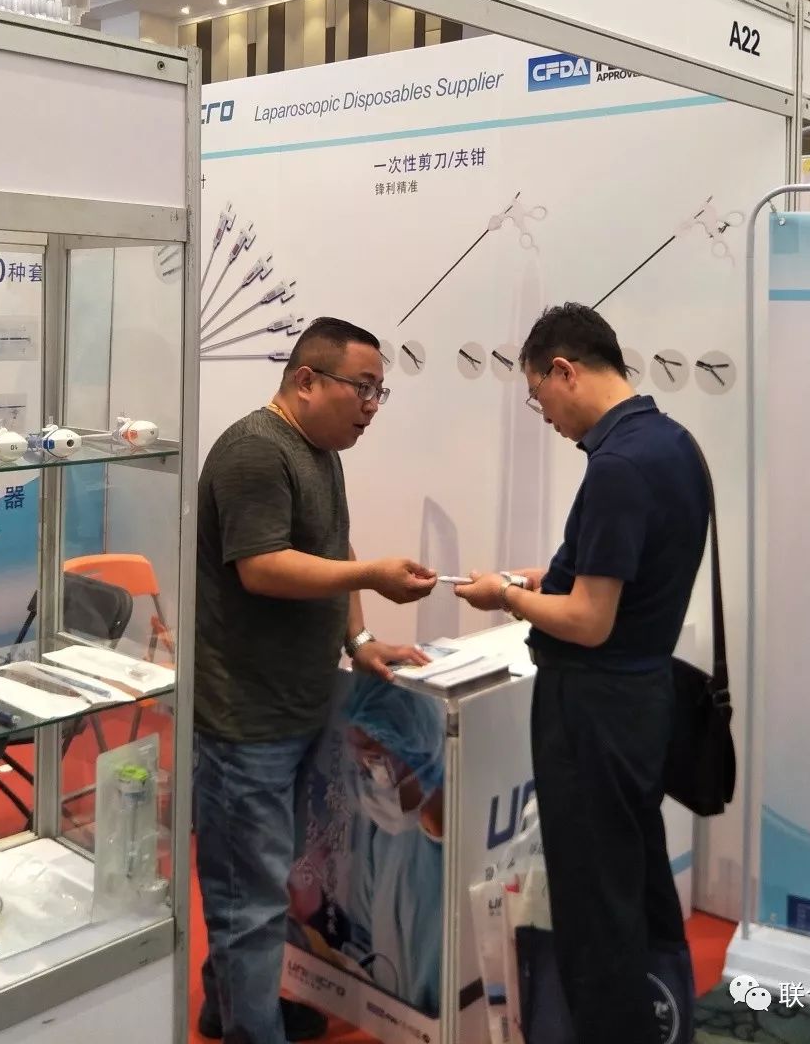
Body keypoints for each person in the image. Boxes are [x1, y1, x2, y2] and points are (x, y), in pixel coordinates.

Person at [456, 303, 709, 1044]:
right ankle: (662, 1020)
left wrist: (505, 597)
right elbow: (622, 578)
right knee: (635, 880)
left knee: (595, 905)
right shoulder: (672, 443)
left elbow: (591, 620)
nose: (546, 418)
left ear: (564, 370)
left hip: (594, 708)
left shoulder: (618, 467)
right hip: (641, 698)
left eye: (540, 396)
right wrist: (543, 579)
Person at [194, 317, 437, 1044]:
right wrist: (371, 576)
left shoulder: (320, 452)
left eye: (379, 391)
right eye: (362, 388)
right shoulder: (255, 451)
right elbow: (263, 567)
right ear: (306, 380)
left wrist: (357, 638)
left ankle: (230, 1006)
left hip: (298, 705)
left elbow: (334, 545)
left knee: (262, 880)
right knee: (250, 895)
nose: (371, 406)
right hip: (246, 719)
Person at [340, 675, 445, 1016]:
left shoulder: (462, 852)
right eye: (360, 764)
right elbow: (362, 939)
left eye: (374, 761)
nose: (369, 779)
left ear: (416, 751)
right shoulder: (383, 836)